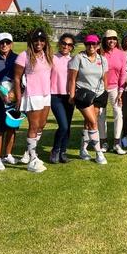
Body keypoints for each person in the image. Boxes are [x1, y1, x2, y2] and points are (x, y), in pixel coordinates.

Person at [14, 28, 53, 173]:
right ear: (31, 41)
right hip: (32, 94)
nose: (39, 43)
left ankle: (29, 152)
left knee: (41, 125)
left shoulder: (47, 55)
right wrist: (18, 97)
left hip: (45, 94)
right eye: (36, 40)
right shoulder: (24, 56)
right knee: (34, 126)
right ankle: (33, 159)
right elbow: (16, 78)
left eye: (42, 40)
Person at [68, 34, 109, 165]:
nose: (91, 46)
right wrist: (72, 95)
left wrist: (105, 92)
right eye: (88, 44)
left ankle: (83, 150)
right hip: (83, 94)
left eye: (94, 44)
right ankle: (99, 153)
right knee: (93, 122)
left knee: (88, 123)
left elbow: (105, 78)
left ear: (98, 45)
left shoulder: (103, 59)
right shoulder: (79, 58)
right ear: (85, 45)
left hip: (99, 94)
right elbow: (72, 79)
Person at [0, 32, 18, 171]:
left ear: (11, 44)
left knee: (12, 128)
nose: (4, 45)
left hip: (14, 100)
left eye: (7, 42)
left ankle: (8, 154)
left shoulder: (18, 59)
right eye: (2, 43)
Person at [98, 29, 127, 155]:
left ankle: (117, 143)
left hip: (115, 88)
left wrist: (120, 92)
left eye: (114, 39)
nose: (112, 41)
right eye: (109, 38)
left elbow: (123, 73)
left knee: (118, 113)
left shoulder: (121, 54)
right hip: (100, 88)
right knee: (101, 115)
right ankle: (103, 142)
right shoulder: (99, 53)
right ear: (105, 40)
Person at [49, 33, 76, 164]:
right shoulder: (52, 58)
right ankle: (55, 150)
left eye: (69, 45)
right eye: (64, 43)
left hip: (69, 96)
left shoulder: (74, 60)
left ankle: (63, 152)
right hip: (55, 95)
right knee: (63, 125)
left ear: (72, 47)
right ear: (60, 43)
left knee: (68, 126)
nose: (66, 46)